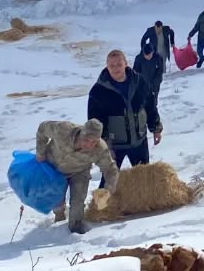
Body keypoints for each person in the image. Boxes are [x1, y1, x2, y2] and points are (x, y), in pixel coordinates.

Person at [86, 50, 162, 179]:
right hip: (114, 146)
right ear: (107, 66)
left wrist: (156, 128)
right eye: (112, 65)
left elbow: (150, 106)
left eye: (119, 64)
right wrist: (104, 146)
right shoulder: (98, 91)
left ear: (126, 64)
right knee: (109, 181)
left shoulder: (140, 82)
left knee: (144, 179)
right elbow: (94, 122)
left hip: (139, 142)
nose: (116, 68)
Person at [35, 118, 119, 234]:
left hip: (79, 171)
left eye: (94, 142)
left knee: (78, 202)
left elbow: (110, 169)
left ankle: (75, 229)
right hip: (54, 169)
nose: (89, 145)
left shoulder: (100, 148)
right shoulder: (63, 129)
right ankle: (59, 216)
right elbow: (42, 129)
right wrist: (40, 152)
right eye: (86, 140)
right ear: (81, 133)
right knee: (56, 200)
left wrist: (108, 189)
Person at [132, 41, 165, 111]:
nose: (148, 57)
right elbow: (135, 71)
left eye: (149, 55)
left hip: (154, 83)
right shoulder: (139, 58)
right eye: (146, 55)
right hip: (142, 83)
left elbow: (160, 71)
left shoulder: (158, 57)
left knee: (153, 101)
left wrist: (156, 82)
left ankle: (153, 113)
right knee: (142, 100)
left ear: (152, 52)